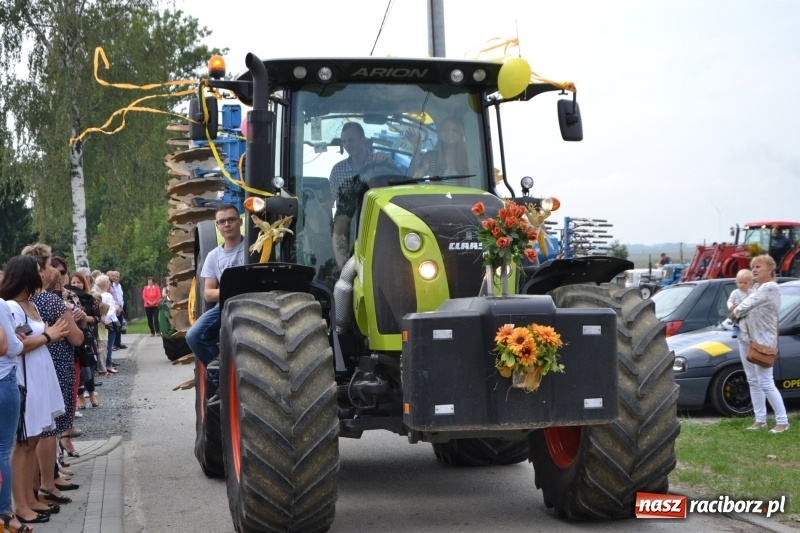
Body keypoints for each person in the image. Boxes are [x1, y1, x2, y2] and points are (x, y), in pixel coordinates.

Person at [1, 255, 70, 525]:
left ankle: (30, 498)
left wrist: (48, 334)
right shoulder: (11, 306)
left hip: (39, 375)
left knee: (33, 440)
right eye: (39, 270)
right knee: (24, 442)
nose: (43, 274)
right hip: (26, 377)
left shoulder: (29, 304)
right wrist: (49, 336)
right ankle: (20, 504)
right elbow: (15, 347)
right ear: (27, 275)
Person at [22, 244, 85, 502]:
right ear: (39, 270)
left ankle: (47, 479)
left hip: (34, 367)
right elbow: (77, 338)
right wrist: (78, 321)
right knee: (49, 428)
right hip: (54, 366)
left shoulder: (24, 301)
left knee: (39, 430)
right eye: (49, 266)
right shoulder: (49, 300)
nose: (52, 272)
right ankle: (46, 483)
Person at [731, 254, 789, 434]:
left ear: (769, 270)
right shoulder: (755, 287)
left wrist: (735, 312)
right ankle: (760, 420)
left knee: (765, 381)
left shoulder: (770, 287)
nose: (754, 270)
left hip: (763, 341)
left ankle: (782, 421)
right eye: (753, 267)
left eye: (758, 267)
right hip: (746, 339)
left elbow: (744, 306)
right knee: (752, 380)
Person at [185, 204, 245, 369]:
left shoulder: (254, 247)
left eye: (231, 220)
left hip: (253, 302)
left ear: (240, 222)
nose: (227, 224)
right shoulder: (213, 256)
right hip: (224, 305)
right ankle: (220, 375)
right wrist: (232, 291)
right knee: (193, 336)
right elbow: (208, 293)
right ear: (217, 226)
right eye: (222, 221)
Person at [329, 122, 394, 268]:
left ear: (363, 140)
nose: (347, 145)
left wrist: (388, 161)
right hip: (348, 216)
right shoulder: (337, 169)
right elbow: (332, 199)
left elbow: (396, 187)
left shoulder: (380, 161)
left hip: (377, 211)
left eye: (351, 140)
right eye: (344, 142)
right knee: (340, 220)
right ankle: (343, 269)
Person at [0, 295, 26, 533]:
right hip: (3, 378)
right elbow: (8, 347)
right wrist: (17, 338)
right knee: (3, 450)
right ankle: (4, 512)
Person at [95, 276, 120, 374]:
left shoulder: (97, 294)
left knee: (101, 344)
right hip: (109, 322)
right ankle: (108, 364)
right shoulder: (108, 295)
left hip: (100, 322)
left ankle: (102, 365)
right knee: (109, 344)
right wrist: (107, 318)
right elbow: (111, 309)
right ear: (106, 284)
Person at [726, 269, 753, 339]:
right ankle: (736, 328)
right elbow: (729, 301)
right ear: (736, 282)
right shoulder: (735, 292)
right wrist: (731, 306)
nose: (742, 285)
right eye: (740, 282)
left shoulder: (752, 292)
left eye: (745, 283)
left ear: (750, 284)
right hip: (738, 310)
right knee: (737, 319)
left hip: (749, 312)